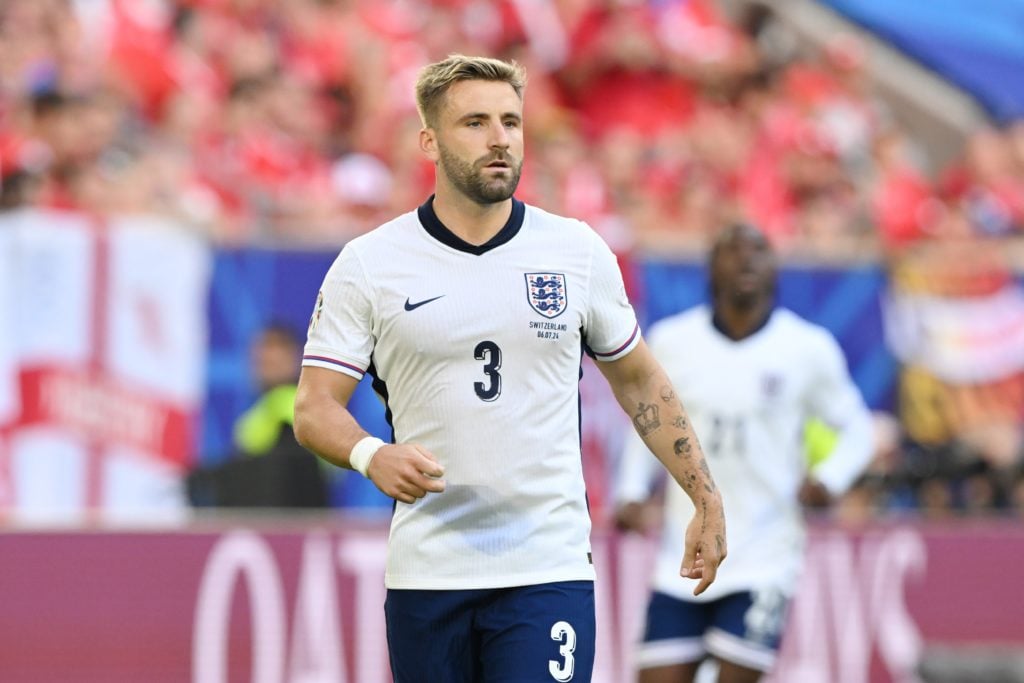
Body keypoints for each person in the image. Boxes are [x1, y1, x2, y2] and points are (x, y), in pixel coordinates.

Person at [293, 54, 726, 683]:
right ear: (429, 141)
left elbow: (638, 382)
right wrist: (369, 455)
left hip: (546, 567)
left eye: (511, 122)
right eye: (474, 122)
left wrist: (705, 499)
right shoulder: (370, 265)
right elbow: (313, 407)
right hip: (428, 571)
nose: (499, 138)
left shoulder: (575, 252)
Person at [615, 223, 874, 683]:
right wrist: (631, 491)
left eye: (759, 250)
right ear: (711, 268)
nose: (747, 260)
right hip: (684, 552)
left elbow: (858, 429)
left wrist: (829, 479)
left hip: (764, 553)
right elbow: (649, 422)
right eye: (732, 250)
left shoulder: (806, 349)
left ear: (775, 268)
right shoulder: (674, 342)